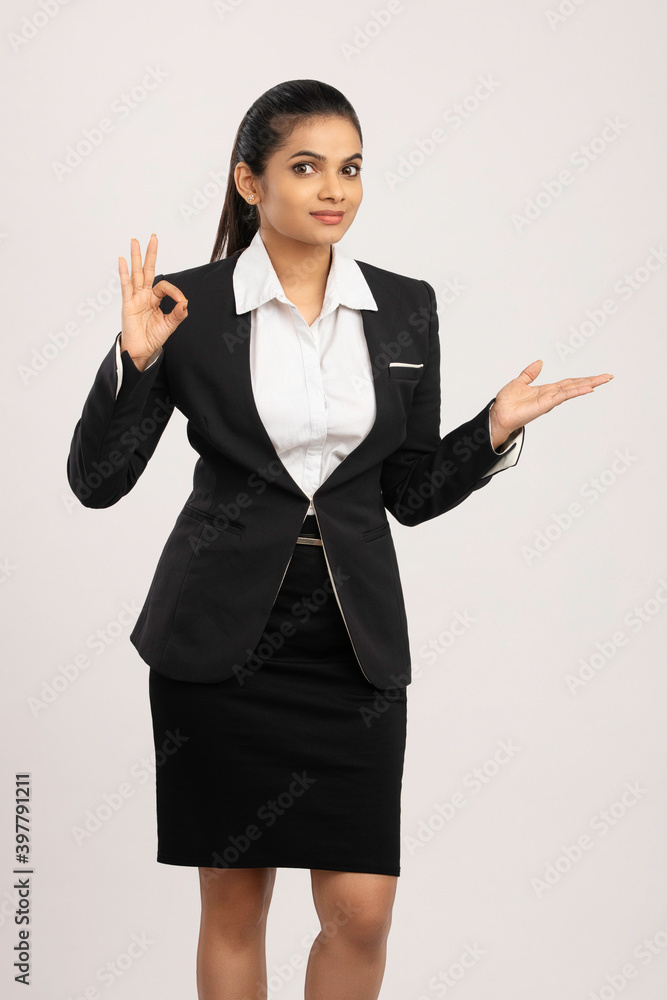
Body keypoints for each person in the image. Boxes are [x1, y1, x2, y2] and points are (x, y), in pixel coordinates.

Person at [67, 79, 613, 1000]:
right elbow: (98, 483)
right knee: (234, 906)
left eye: (350, 168)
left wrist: (489, 431)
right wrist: (133, 360)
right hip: (218, 639)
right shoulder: (184, 306)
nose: (334, 189)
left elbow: (408, 494)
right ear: (250, 182)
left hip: (351, 645)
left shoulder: (404, 306)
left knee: (361, 913)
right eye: (306, 167)